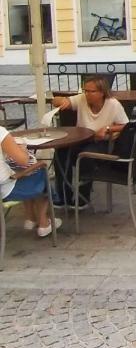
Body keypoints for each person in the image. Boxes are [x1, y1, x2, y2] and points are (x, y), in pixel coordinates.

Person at [51, 75, 128, 206]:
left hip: (103, 142)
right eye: (85, 90)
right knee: (60, 152)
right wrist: (61, 101)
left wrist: (108, 128)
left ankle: (83, 197)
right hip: (82, 139)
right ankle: (64, 195)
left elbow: (126, 125)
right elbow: (56, 101)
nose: (87, 94)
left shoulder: (113, 104)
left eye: (91, 91)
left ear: (102, 92)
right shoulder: (81, 99)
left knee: (86, 157)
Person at [1, 126, 60, 238]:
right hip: (6, 190)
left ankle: (30, 217)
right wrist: (22, 150)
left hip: (5, 185)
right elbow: (23, 161)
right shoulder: (1, 133)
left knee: (24, 173)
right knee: (40, 171)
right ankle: (43, 223)